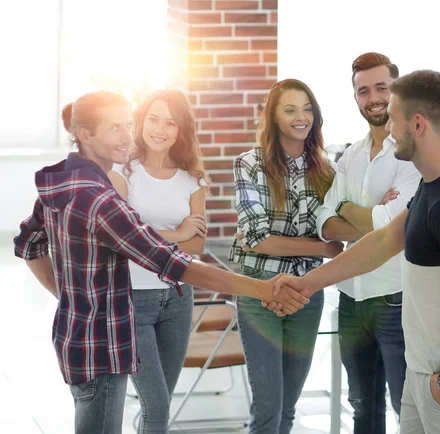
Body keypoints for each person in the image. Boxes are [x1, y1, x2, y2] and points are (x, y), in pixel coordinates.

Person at [13, 91, 309, 434]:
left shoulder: (66, 179)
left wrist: (69, 298)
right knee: (148, 407)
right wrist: (262, 288)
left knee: (154, 404)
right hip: (103, 346)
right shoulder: (99, 199)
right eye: (114, 128)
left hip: (92, 335)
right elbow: (175, 262)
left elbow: (29, 242)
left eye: (127, 125)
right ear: (84, 134)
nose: (127, 136)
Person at [271, 70, 440, 433]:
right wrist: (307, 283)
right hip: (424, 371)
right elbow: (382, 242)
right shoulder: (435, 184)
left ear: (417, 124)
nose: (389, 129)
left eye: (394, 119)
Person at [229, 78, 343, 434]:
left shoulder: (326, 170)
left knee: (290, 406)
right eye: (290, 109)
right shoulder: (249, 164)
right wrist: (320, 247)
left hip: (306, 292)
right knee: (268, 407)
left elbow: (338, 235)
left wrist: (326, 245)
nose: (301, 117)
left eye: (307, 109)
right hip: (259, 289)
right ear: (273, 116)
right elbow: (260, 239)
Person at [315, 52, 420, 433]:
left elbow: (393, 228)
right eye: (364, 90)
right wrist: (362, 213)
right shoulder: (350, 156)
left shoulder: (413, 152)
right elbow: (323, 221)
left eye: (382, 87)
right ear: (355, 97)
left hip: (396, 300)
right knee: (362, 408)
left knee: (405, 408)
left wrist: (349, 209)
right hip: (351, 301)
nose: (373, 97)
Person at [108, 89, 209, 433]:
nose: (160, 129)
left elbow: (198, 244)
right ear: (141, 121)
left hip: (178, 300)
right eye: (153, 119)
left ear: (182, 130)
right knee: (157, 404)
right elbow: (123, 240)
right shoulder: (123, 173)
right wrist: (177, 234)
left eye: (170, 122)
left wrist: (158, 234)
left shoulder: (192, 179)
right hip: (133, 298)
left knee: (160, 402)